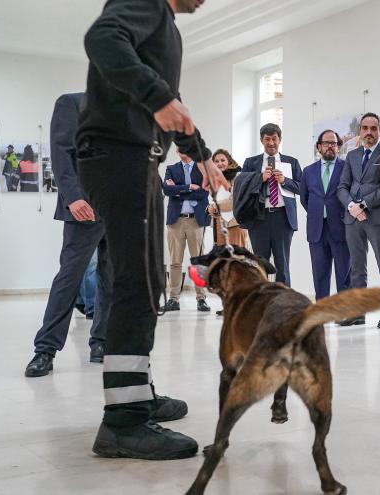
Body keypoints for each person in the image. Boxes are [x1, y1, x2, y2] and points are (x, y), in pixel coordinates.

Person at [76, 0, 227, 460]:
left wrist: (200, 154)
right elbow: (100, 39)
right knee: (137, 283)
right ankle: (123, 422)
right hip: (118, 155)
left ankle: (135, 393)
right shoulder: (145, 3)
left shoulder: (166, 28)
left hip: (134, 159)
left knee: (150, 279)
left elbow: (173, 107)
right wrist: (157, 96)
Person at [24, 92, 110, 378]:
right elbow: (61, 153)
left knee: (111, 279)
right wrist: (72, 196)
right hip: (84, 205)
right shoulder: (71, 103)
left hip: (121, 209)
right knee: (70, 276)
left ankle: (101, 342)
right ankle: (45, 349)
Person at [337, 113, 380, 328]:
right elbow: (342, 186)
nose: (369, 132)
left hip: (378, 218)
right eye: (365, 128)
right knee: (357, 268)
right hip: (352, 219)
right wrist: (352, 206)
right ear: (360, 131)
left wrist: (364, 204)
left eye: (373, 128)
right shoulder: (352, 156)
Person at [241, 123, 302, 286]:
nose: (271, 143)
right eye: (267, 139)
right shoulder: (250, 163)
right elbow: (242, 187)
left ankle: (284, 303)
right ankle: (261, 303)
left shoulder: (291, 162)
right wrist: (259, 179)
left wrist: (285, 181)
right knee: (259, 265)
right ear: (262, 140)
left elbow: (303, 188)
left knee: (282, 266)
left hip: (283, 218)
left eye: (274, 138)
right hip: (258, 218)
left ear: (280, 140)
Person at [300, 130, 351, 300]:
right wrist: (318, 213)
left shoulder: (346, 168)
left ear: (338, 147)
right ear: (319, 147)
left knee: (344, 273)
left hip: (341, 227)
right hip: (316, 229)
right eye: (326, 143)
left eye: (334, 143)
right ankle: (322, 308)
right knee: (320, 273)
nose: (330, 146)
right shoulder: (308, 171)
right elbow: (305, 199)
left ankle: (344, 311)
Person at [161, 151, 211, 313]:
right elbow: (167, 191)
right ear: (177, 151)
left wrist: (178, 190)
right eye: (179, 148)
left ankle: (201, 298)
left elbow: (204, 192)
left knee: (198, 262)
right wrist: (189, 187)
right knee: (175, 261)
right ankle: (173, 299)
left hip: (196, 221)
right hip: (175, 221)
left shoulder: (201, 169)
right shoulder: (171, 168)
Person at [207, 149, 248, 248]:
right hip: (219, 223)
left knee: (237, 259)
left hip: (235, 224)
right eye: (216, 161)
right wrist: (209, 208)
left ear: (229, 161)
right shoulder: (214, 180)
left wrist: (215, 206)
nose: (220, 163)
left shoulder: (238, 177)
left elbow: (235, 201)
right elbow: (212, 200)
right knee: (223, 260)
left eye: (222, 160)